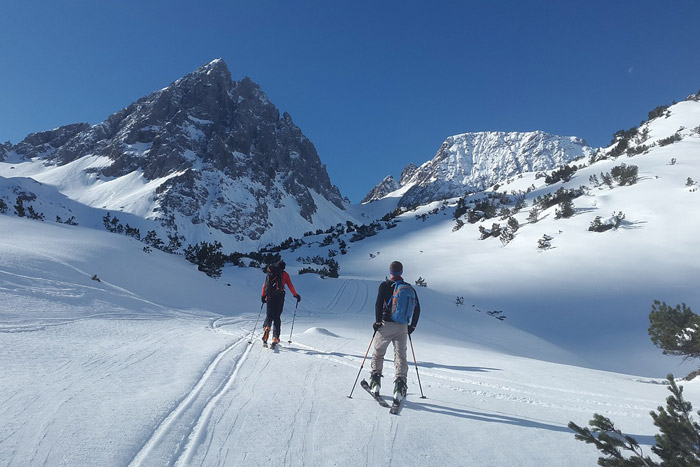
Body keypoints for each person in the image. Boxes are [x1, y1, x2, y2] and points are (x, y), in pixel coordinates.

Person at [369, 261, 420, 400]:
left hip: (385, 325)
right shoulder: (409, 288)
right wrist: (412, 326)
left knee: (379, 353)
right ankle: (400, 386)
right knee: (400, 356)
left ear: (390, 272)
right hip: (402, 326)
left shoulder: (385, 285)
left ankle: (375, 381)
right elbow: (417, 309)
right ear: (401, 272)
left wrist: (378, 322)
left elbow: (378, 304)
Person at [261, 260, 301, 346]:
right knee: (276, 317)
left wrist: (263, 296)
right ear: (283, 267)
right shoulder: (285, 274)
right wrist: (295, 295)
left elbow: (264, 285)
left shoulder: (270, 273)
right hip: (280, 296)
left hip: (269, 296)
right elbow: (290, 285)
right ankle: (275, 337)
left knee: (269, 315)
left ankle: (267, 328)